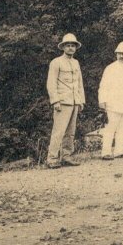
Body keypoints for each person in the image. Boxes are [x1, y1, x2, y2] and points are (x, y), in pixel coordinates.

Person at [46, 33, 85, 168]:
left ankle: (67, 157)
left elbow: (79, 82)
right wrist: (55, 100)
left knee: (70, 132)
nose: (70, 48)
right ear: (63, 47)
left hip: (74, 101)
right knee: (59, 131)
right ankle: (52, 159)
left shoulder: (76, 62)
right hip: (62, 101)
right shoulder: (56, 62)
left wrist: (81, 100)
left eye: (73, 46)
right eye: (68, 46)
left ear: (75, 48)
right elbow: (51, 83)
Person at [98, 41, 123, 160]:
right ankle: (106, 152)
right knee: (111, 127)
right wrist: (102, 100)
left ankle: (120, 150)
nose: (122, 56)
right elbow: (103, 85)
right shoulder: (110, 68)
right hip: (113, 102)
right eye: (120, 53)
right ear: (116, 54)